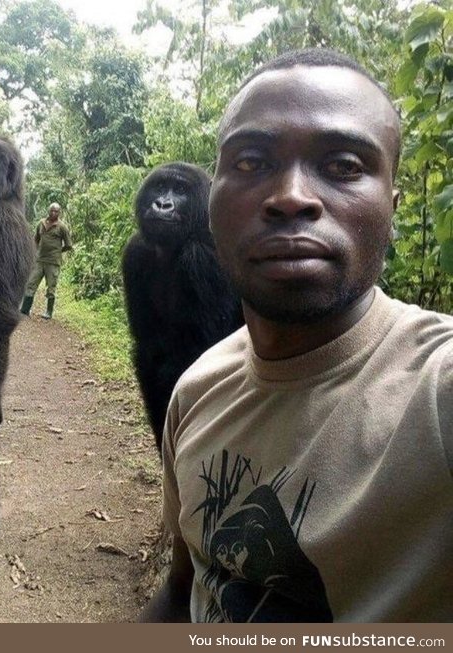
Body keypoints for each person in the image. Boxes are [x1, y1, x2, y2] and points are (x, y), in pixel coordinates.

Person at [140, 48, 453, 623]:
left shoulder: (437, 386)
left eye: (343, 166)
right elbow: (186, 587)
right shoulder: (196, 392)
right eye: (252, 162)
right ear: (213, 209)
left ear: (392, 209)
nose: (290, 195)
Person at [20, 202, 73, 319]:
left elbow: (69, 245)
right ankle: (25, 309)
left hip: (53, 262)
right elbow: (35, 240)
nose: (54, 213)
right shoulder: (41, 223)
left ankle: (48, 312)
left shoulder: (62, 227)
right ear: (48, 211)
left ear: (59, 213)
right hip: (39, 260)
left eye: (56, 211)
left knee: (51, 287)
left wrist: (58, 251)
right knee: (31, 284)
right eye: (52, 210)